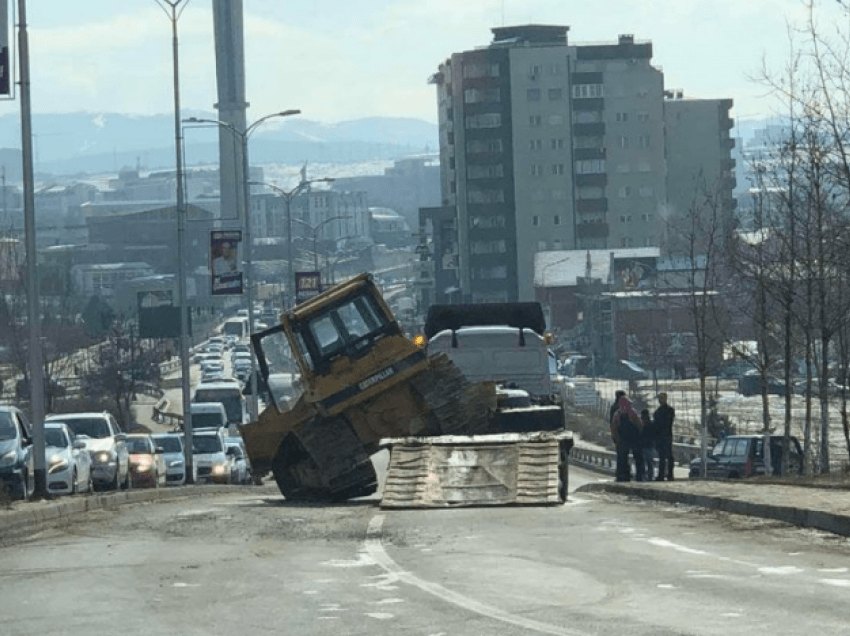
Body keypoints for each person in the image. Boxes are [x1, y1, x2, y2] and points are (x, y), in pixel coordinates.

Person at [611, 394, 644, 482]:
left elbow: (614, 428)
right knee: (638, 458)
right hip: (634, 440)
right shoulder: (632, 413)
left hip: (623, 440)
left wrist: (616, 439)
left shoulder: (617, 414)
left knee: (622, 458)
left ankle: (623, 476)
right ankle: (639, 476)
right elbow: (640, 425)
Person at [653, 392, 676, 481]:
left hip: (664, 436)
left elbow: (663, 423)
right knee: (663, 456)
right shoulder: (665, 410)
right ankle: (663, 475)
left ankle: (668, 474)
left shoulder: (665, 411)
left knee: (666, 456)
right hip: (664, 435)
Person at [640, 408, 657, 481]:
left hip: (644, 446)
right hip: (650, 446)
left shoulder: (642, 424)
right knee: (649, 462)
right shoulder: (651, 424)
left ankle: (644, 475)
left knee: (644, 462)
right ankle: (650, 475)